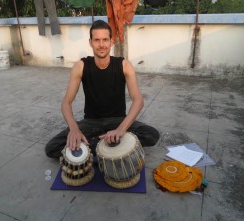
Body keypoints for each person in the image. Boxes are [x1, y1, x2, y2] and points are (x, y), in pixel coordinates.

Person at [45, 20, 159, 158]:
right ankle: (110, 146)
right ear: (90, 42)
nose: (101, 45)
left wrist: (121, 129)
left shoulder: (124, 65)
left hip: (117, 120)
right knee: (52, 148)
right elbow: (66, 102)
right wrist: (74, 129)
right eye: (97, 40)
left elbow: (138, 100)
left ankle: (93, 146)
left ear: (111, 41)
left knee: (151, 135)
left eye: (105, 40)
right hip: (91, 122)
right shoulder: (81, 66)